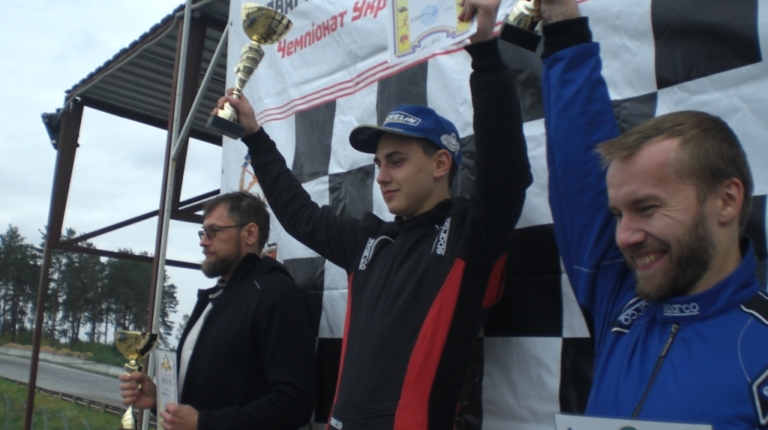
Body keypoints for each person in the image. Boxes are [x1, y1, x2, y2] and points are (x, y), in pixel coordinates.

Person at [212, 0, 532, 427]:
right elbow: (298, 214)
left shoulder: (469, 236)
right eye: (379, 163)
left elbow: (505, 174)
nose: (381, 176)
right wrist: (254, 137)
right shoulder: (368, 241)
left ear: (441, 163)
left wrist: (486, 55)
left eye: (396, 161)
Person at [537, 0, 768, 427]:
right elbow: (578, 172)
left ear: (727, 200)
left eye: (647, 208)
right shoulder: (623, 300)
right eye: (617, 214)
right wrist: (562, 22)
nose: (624, 237)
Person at [118, 192, 317, 430]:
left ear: (250, 233)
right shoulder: (216, 298)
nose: (203, 241)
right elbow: (210, 396)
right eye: (203, 232)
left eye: (214, 231)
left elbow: (294, 403)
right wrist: (159, 400)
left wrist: (204, 423)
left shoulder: (279, 297)